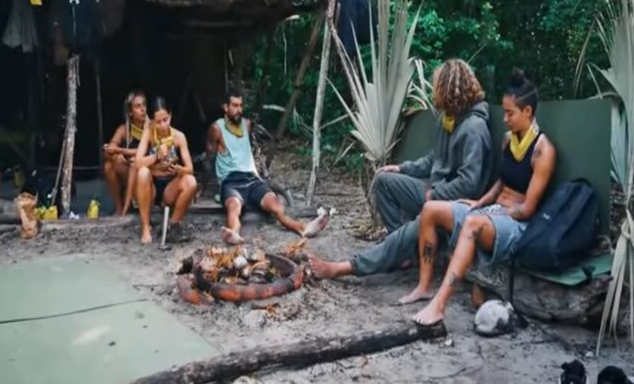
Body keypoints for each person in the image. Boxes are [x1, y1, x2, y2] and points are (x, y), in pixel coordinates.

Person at [310, 59, 492, 279]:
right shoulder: (448, 119)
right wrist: (402, 168)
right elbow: (434, 159)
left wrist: (436, 195)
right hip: (435, 192)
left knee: (417, 223)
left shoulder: (474, 128)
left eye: (437, 87)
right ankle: (404, 252)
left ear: (448, 89)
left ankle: (347, 267)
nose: (434, 92)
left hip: (455, 204)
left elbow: (470, 184)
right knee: (384, 181)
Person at [404, 69, 556, 326]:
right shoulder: (508, 140)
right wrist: (480, 203)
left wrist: (489, 213)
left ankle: (438, 306)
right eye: (504, 112)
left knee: (473, 224)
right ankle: (424, 286)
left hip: (516, 224)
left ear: (527, 111)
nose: (504, 119)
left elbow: (528, 209)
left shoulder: (543, 150)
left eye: (510, 113)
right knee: (431, 209)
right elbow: (501, 182)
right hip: (492, 212)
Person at [206, 89, 330, 245]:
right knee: (234, 207)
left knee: (275, 204)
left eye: (241, 106)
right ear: (225, 107)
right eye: (235, 106)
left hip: (251, 179)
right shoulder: (216, 129)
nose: (239, 110)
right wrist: (204, 187)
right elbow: (209, 158)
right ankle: (234, 233)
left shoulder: (246, 125)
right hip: (231, 181)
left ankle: (302, 228)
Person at [134, 97, 198, 244]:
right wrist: (156, 156)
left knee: (191, 182)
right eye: (158, 122)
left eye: (166, 120)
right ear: (152, 121)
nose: (163, 125)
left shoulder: (179, 137)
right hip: (152, 186)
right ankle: (145, 227)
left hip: (170, 187)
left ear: (170, 116)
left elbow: (190, 169)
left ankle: (172, 225)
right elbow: (137, 162)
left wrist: (180, 170)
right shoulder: (148, 133)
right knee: (143, 173)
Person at [103, 91, 147, 215]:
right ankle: (119, 208)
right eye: (138, 106)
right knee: (108, 166)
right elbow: (109, 150)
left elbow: (145, 151)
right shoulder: (124, 129)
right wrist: (115, 154)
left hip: (146, 174)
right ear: (130, 112)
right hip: (129, 172)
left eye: (144, 105)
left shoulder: (151, 127)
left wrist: (121, 151)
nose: (142, 109)